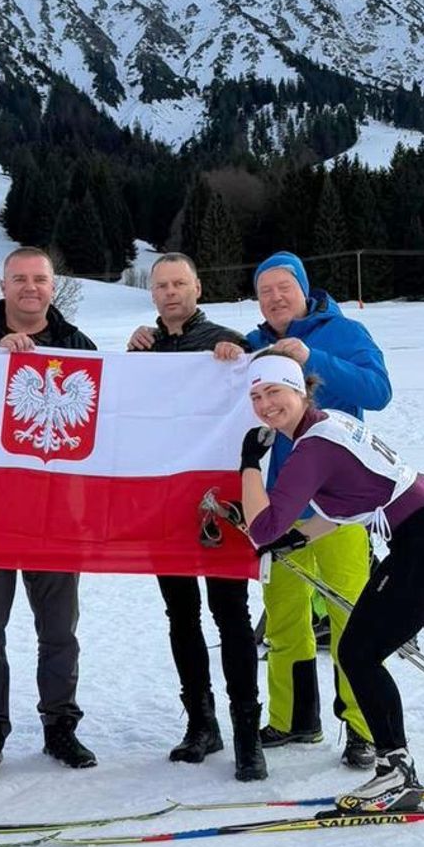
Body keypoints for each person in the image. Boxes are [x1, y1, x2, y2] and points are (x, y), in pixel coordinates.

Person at [239, 350, 424, 813]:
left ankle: (394, 771)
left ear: (299, 390)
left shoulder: (312, 448)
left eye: (274, 391)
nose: (264, 405)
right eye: (256, 396)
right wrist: (299, 538)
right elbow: (357, 499)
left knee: (358, 653)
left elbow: (263, 527)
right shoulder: (331, 424)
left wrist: (249, 463)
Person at [213, 251, 389, 770]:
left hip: (339, 506)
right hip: (278, 505)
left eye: (283, 287)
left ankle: (363, 728)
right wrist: (224, 355)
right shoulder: (254, 344)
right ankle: (294, 719)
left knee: (349, 617)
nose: (274, 298)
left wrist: (314, 358)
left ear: (304, 289)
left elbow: (378, 391)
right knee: (285, 619)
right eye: (264, 291)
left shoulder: (344, 332)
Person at [0, 246, 97, 778]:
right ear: (3, 284)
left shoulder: (78, 346)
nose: (31, 288)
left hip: (55, 517)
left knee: (59, 631)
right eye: (20, 279)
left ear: (53, 286)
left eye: (40, 279)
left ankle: (61, 726)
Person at [125, 253, 266, 781]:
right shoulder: (143, 349)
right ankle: (201, 723)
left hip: (221, 504)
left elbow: (262, 409)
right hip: (166, 506)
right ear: (152, 293)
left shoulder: (229, 341)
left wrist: (240, 358)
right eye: (161, 285)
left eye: (179, 283)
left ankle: (247, 733)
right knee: (180, 615)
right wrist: (131, 358)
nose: (170, 292)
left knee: (231, 615)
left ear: (197, 288)